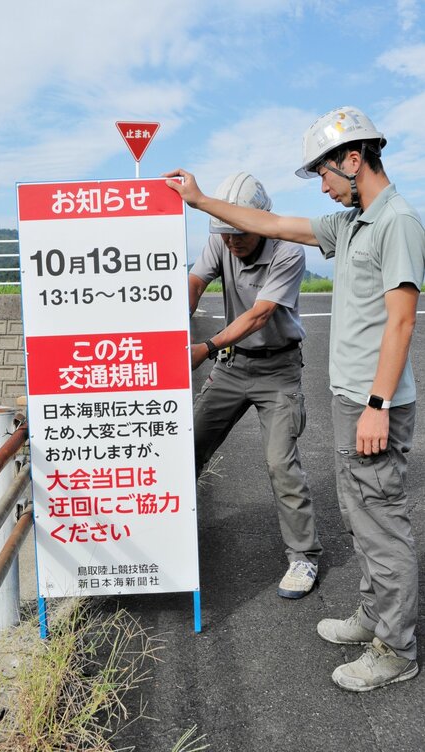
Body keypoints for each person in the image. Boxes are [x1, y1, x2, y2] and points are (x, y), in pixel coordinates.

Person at [166, 105, 425, 692]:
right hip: (349, 396)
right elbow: (279, 223)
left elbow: (402, 323)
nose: (325, 187)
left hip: (372, 403)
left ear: (353, 160)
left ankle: (396, 648)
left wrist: (378, 406)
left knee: (381, 520)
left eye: (326, 174)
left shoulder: (398, 222)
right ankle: (371, 615)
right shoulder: (352, 223)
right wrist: (202, 201)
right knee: (360, 514)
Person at [188, 172, 322, 599]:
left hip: (278, 369)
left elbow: (260, 315)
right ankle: (167, 535)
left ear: (261, 220)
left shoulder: (288, 250)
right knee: (189, 445)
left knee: (281, 464)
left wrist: (205, 347)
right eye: (224, 234)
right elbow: (196, 281)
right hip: (232, 366)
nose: (231, 242)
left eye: (240, 233)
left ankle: (303, 557)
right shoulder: (222, 237)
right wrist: (174, 319)